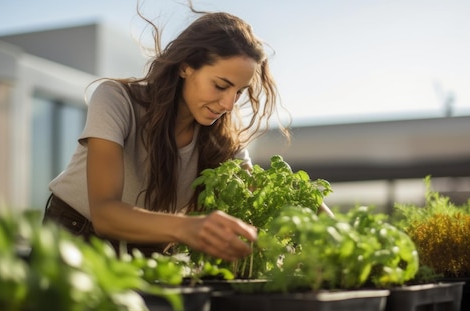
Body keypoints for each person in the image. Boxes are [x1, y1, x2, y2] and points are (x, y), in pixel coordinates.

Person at [43, 5, 332, 261]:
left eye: (239, 92)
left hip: (148, 250)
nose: (229, 104)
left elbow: (264, 191)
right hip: (75, 234)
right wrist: (188, 228)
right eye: (220, 86)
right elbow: (105, 214)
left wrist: (336, 231)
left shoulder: (222, 141)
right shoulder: (118, 99)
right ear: (185, 67)